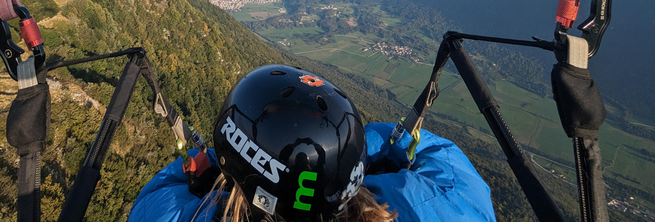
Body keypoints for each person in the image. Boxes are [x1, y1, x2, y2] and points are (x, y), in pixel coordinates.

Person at [128, 64, 496, 222]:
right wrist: (346, 156)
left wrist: (210, 168)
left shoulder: (179, 213)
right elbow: (438, 154)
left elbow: (160, 194)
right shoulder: (441, 202)